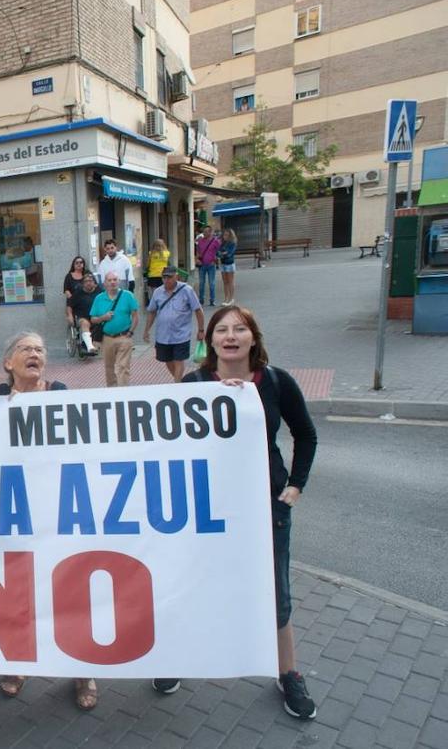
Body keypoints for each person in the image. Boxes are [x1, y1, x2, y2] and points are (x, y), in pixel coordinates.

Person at [157, 306, 319, 721]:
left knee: (276, 596)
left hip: (265, 507)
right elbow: (165, 439)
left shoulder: (278, 382)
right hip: (206, 506)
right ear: (210, 341)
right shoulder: (193, 384)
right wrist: (212, 401)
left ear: (253, 338)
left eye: (239, 329)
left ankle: (289, 673)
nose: (231, 336)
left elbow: (305, 432)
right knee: (190, 583)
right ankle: (174, 659)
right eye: (222, 330)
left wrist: (296, 485)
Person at [0, 305, 101, 709]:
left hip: (57, 507)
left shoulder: (59, 395)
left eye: (39, 349)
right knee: (19, 588)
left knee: (67, 589)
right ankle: (19, 660)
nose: (35, 354)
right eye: (25, 349)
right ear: (8, 362)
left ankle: (82, 670)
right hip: (15, 510)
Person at [144, 265, 206, 382]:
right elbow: (152, 312)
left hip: (181, 335)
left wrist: (201, 330)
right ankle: (180, 381)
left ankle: (177, 385)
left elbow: (198, 310)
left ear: (176, 277)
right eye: (164, 277)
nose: (166, 280)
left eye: (169, 277)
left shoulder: (187, 290)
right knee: (167, 360)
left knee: (179, 360)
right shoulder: (158, 292)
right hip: (163, 335)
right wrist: (146, 330)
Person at [89, 271, 140, 387]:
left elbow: (136, 316)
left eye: (115, 279)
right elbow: (93, 319)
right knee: (109, 367)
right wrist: (103, 317)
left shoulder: (128, 296)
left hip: (124, 336)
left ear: (119, 281)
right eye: (109, 280)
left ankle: (123, 393)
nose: (112, 282)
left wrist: (131, 332)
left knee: (123, 367)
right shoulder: (99, 298)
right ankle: (113, 393)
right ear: (104, 283)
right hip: (107, 338)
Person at [66, 272, 101, 354]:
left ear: (94, 282)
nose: (88, 283)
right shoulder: (78, 293)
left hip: (97, 317)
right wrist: (70, 315)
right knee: (85, 323)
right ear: (83, 284)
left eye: (90, 280)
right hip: (83, 317)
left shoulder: (100, 291)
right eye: (86, 281)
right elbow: (69, 306)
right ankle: (89, 347)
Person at [195, 226, 222, 306]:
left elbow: (219, 251)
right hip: (202, 264)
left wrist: (216, 259)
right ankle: (201, 300)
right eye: (204, 231)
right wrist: (197, 259)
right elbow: (198, 252)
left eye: (206, 231)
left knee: (211, 283)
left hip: (211, 265)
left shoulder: (215, 241)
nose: (204, 233)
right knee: (201, 283)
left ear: (210, 232)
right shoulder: (200, 241)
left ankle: (212, 300)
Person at [219, 228, 239, 305]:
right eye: (224, 235)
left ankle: (231, 298)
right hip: (223, 263)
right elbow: (218, 252)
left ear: (230, 236)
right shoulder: (222, 243)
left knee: (230, 281)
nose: (225, 236)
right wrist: (222, 254)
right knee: (225, 282)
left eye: (227, 235)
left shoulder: (232, 243)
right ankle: (226, 298)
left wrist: (223, 254)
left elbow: (230, 253)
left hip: (229, 264)